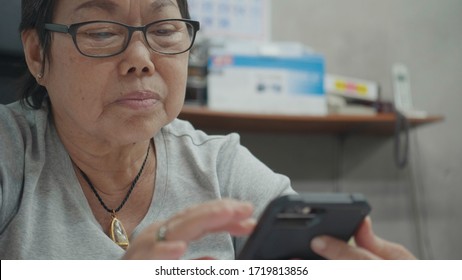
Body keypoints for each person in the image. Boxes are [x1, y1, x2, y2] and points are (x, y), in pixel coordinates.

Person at [0, 0, 415, 260]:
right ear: (38, 54)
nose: (141, 59)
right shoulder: (10, 151)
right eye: (102, 32)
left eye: (163, 30)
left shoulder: (220, 166)